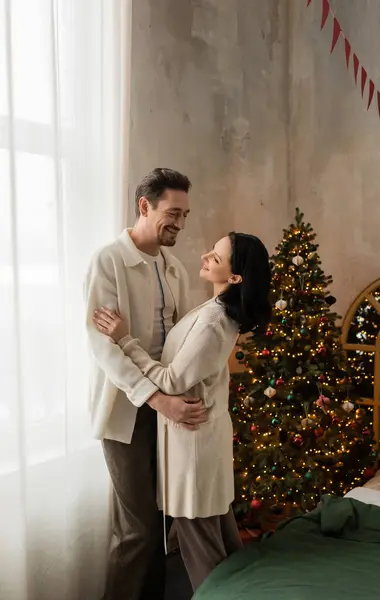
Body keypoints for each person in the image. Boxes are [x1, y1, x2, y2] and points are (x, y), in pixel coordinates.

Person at [93, 231, 272, 591]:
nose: (206, 256)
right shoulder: (214, 311)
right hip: (199, 444)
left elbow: (172, 380)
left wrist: (126, 339)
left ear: (235, 278)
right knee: (221, 545)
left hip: (193, 452)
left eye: (216, 258)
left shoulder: (212, 322)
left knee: (203, 555)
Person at [84, 168, 207, 600]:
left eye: (185, 214)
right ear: (145, 206)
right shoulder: (109, 261)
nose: (180, 223)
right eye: (173, 212)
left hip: (167, 405)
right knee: (137, 529)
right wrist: (158, 400)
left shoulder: (174, 269)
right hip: (128, 412)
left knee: (162, 521)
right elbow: (103, 349)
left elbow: (182, 341)